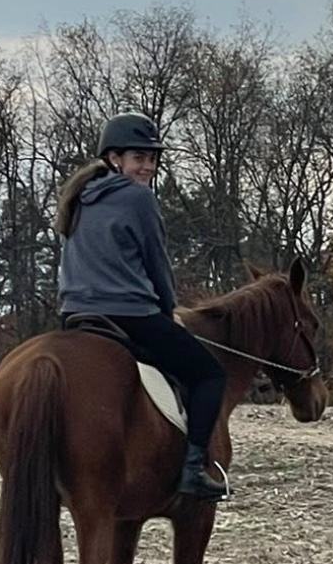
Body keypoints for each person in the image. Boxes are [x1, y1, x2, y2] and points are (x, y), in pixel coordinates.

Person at [54, 112, 229, 501]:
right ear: (114, 158)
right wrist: (169, 312)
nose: (147, 166)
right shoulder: (138, 199)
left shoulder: (77, 198)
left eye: (152, 158)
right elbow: (157, 265)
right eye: (138, 157)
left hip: (76, 317)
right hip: (130, 316)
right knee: (209, 376)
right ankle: (193, 469)